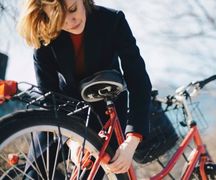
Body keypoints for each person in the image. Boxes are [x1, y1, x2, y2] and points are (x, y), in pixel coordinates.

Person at [17, 0, 152, 176]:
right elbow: (48, 97)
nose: (70, 21)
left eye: (73, 9)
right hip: (62, 111)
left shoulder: (113, 21)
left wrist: (132, 140)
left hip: (105, 112)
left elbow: (138, 80)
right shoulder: (44, 37)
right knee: (34, 172)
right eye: (59, 18)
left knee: (89, 174)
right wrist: (71, 140)